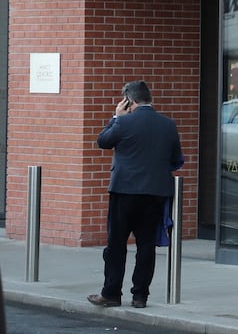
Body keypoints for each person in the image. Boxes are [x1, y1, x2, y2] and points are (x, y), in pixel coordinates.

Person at [88, 80, 183, 309]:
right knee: (146, 246)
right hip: (155, 194)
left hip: (125, 192)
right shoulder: (168, 125)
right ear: (150, 99)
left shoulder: (123, 122)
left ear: (129, 101)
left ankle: (111, 294)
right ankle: (140, 296)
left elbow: (103, 141)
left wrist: (116, 117)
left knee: (116, 244)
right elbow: (176, 160)